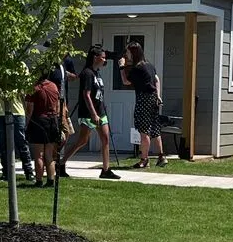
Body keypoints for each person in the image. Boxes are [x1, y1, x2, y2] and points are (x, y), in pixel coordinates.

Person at [60, 46, 120, 179]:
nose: (105, 60)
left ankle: (106, 169)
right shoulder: (87, 73)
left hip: (101, 112)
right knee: (82, 141)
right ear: (95, 57)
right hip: (88, 113)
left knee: (105, 139)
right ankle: (61, 163)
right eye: (103, 57)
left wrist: (101, 110)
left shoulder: (97, 73)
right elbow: (86, 95)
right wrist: (93, 114)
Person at [119, 41, 167, 168]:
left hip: (143, 99)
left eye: (128, 52)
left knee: (143, 130)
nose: (126, 55)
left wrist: (121, 67)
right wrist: (158, 95)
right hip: (153, 98)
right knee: (155, 128)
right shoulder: (149, 65)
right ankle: (162, 156)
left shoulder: (137, 68)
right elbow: (156, 79)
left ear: (133, 53)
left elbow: (125, 81)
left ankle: (144, 159)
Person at [0, 65, 34, 183]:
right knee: (3, 143)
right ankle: (6, 172)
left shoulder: (20, 65)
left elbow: (26, 88)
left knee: (21, 141)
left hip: (17, 110)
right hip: (0, 111)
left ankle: (28, 171)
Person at [25, 69, 62, 186]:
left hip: (39, 121)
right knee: (49, 154)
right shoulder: (54, 86)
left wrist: (27, 123)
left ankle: (39, 180)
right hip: (52, 120)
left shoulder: (35, 88)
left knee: (38, 154)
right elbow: (57, 105)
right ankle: (51, 180)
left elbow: (30, 109)